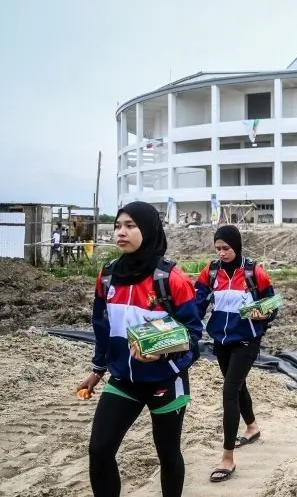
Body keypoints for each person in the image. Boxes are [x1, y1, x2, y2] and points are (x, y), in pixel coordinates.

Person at [77, 201, 203, 497]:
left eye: (130, 226)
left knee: (168, 454)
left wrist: (164, 352)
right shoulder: (107, 276)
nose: (121, 232)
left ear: (148, 230)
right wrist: (97, 371)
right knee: (99, 450)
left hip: (166, 380)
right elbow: (103, 328)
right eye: (118, 225)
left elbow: (194, 334)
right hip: (122, 381)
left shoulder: (171, 278)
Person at [195, 225, 278, 483]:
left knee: (229, 391)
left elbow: (272, 305)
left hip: (247, 340)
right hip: (221, 340)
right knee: (237, 385)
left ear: (237, 246)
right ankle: (252, 427)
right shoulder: (210, 272)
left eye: (226, 248)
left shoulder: (254, 272)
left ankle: (227, 457)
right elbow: (197, 304)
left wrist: (263, 313)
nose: (222, 253)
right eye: (218, 249)